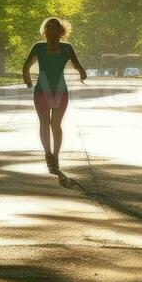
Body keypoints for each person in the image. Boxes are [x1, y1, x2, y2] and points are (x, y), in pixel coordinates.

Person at [22, 17, 86, 174]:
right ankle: (48, 154)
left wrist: (82, 73)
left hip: (60, 90)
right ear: (44, 31)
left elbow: (78, 65)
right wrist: (28, 81)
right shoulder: (38, 47)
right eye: (48, 28)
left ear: (61, 31)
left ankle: (55, 156)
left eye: (54, 28)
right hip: (41, 90)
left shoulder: (67, 48)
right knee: (44, 123)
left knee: (55, 124)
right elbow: (26, 66)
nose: (51, 31)